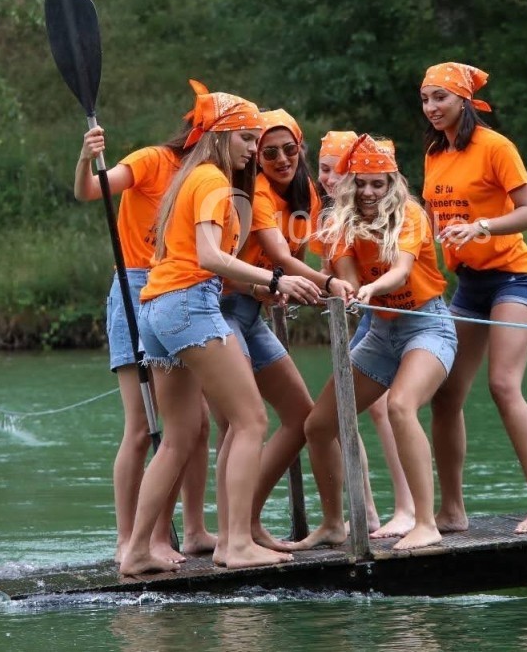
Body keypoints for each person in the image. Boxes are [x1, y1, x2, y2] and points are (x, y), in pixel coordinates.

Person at [121, 81, 322, 575]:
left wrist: (260, 289)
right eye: (248, 139)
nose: (255, 150)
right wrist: (275, 277)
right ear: (221, 137)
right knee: (251, 419)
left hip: (156, 309)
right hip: (189, 306)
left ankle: (137, 550)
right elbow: (209, 258)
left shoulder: (191, 179)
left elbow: (195, 258)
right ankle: (234, 543)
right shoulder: (212, 181)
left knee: (179, 435)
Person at [294, 134, 457, 552]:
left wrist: (371, 289)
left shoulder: (411, 215)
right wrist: (346, 290)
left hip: (426, 325)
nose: (368, 191)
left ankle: (425, 522)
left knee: (402, 406)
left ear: (392, 184)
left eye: (377, 183)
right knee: (318, 425)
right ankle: (334, 523)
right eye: (361, 183)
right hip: (381, 333)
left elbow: (401, 273)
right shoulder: (341, 223)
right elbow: (347, 277)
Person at [421, 62, 527, 535]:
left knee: (503, 385)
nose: (431, 108)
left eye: (440, 97)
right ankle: (452, 510)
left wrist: (482, 225)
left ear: (462, 99)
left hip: (514, 280)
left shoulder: (496, 147)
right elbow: (429, 216)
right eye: (425, 99)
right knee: (445, 395)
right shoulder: (434, 154)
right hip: (470, 285)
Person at [74, 120, 215, 569]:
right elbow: (91, 190)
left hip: (180, 293)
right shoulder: (154, 160)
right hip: (135, 290)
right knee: (141, 427)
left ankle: (190, 531)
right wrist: (86, 155)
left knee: (197, 423)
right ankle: (128, 541)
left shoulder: (209, 177)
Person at [218, 109, 351, 558]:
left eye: (289, 150)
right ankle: (230, 535)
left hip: (253, 311)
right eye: (268, 151)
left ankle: (261, 522)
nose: (280, 159)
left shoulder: (306, 192)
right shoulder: (253, 189)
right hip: (222, 311)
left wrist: (334, 278)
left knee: (303, 417)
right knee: (241, 421)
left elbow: (309, 251)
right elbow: (276, 254)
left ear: (301, 149)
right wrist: (326, 284)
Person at [314, 131, 418, 539]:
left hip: (388, 312)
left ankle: (406, 506)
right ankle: (368, 510)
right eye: (323, 169)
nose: (329, 179)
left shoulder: (383, 208)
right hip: (364, 311)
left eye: (339, 172)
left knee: (382, 406)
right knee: (347, 409)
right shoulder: (327, 209)